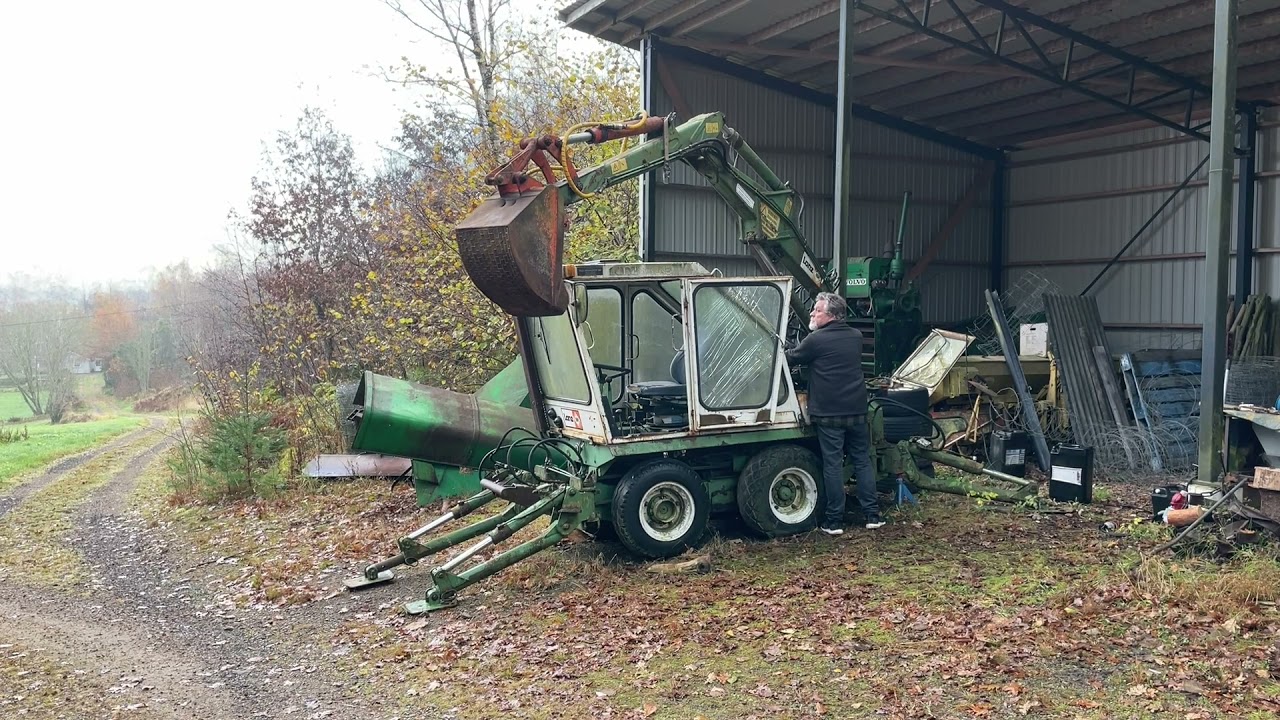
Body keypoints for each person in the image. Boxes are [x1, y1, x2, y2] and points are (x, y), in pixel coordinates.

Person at [784, 292, 882, 535]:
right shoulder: (856, 336)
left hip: (829, 413)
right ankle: (872, 515)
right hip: (857, 409)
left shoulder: (816, 340)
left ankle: (834, 521)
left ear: (830, 315)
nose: (812, 314)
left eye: (817, 310)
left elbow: (790, 358)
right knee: (862, 460)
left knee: (833, 464)